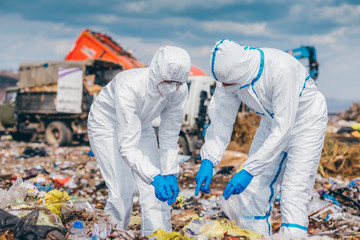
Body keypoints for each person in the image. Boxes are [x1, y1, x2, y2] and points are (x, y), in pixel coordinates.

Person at [195, 39, 327, 238]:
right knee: (253, 189)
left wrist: (248, 170)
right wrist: (208, 159)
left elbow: (283, 129)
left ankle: (293, 234)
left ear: (242, 73)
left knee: (294, 190)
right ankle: (256, 235)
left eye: (229, 84)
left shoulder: (281, 69)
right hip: (271, 121)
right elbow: (221, 119)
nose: (225, 87)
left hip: (306, 121)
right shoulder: (229, 78)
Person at [87, 45, 191, 237]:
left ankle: (158, 235)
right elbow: (127, 146)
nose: (171, 88)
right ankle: (113, 235)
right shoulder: (130, 84)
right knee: (122, 192)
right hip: (106, 124)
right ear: (156, 72)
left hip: (142, 125)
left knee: (155, 193)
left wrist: (169, 172)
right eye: (167, 81)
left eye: (177, 83)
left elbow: (169, 136)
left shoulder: (180, 90)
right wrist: (155, 176)